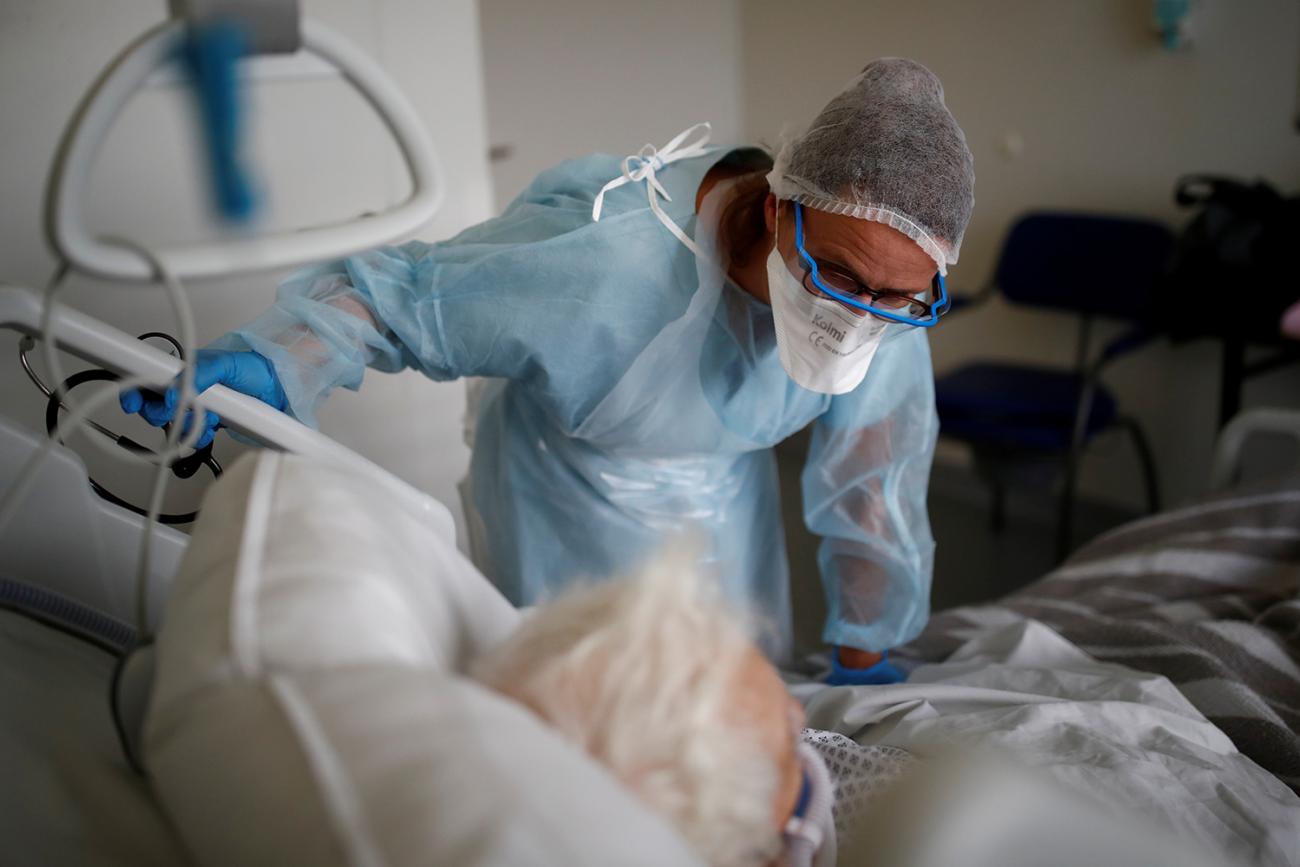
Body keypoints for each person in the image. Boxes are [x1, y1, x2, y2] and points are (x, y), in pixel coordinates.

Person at [121, 58, 976, 679]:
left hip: (727, 515)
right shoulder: (612, 271)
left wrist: (865, 646)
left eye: (897, 296)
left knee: (722, 712)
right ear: (781, 208)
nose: (857, 315)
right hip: (565, 500)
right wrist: (272, 363)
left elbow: (874, 475)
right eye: (840, 277)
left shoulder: (889, 306)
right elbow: (398, 300)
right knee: (574, 711)